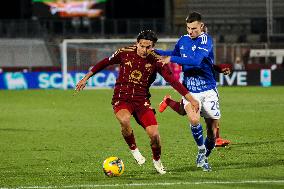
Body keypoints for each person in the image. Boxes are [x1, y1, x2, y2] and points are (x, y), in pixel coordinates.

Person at [75, 30, 199, 175]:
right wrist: (86, 77)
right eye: (142, 46)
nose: (144, 50)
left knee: (154, 135)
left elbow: (172, 81)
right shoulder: (124, 52)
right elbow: (104, 63)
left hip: (141, 101)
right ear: (137, 43)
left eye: (148, 47)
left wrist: (191, 99)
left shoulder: (156, 60)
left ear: (153, 47)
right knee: (124, 119)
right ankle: (134, 150)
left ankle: (157, 161)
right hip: (122, 98)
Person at [156, 12, 225, 171]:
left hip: (208, 90)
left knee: (212, 132)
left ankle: (204, 155)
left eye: (194, 28)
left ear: (201, 26)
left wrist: (171, 59)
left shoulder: (206, 40)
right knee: (194, 120)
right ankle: (201, 149)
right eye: (188, 28)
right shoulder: (183, 40)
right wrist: (157, 51)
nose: (190, 31)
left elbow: (195, 61)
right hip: (190, 90)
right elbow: (173, 54)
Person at [158, 64, 231, 147]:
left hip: (206, 88)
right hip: (190, 88)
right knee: (183, 111)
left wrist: (220, 68)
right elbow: (178, 61)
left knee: (211, 112)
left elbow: (208, 63)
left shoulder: (201, 52)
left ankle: (216, 138)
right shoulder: (185, 53)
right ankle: (168, 101)